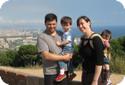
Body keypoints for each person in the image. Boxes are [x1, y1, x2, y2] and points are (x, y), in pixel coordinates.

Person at [37, 13, 72, 85]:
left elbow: (69, 46)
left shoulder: (61, 34)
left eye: (54, 24)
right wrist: (64, 57)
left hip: (64, 72)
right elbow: (46, 56)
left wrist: (71, 54)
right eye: (49, 24)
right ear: (45, 24)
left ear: (56, 23)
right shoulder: (42, 37)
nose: (52, 26)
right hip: (50, 72)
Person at [76, 16, 104, 85]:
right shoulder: (82, 39)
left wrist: (95, 80)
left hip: (95, 76)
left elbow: (100, 61)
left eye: (82, 23)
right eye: (78, 25)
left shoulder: (96, 39)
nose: (80, 26)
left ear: (89, 23)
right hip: (85, 74)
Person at [55, 16, 76, 82]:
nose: (65, 27)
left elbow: (68, 41)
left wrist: (60, 44)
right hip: (69, 49)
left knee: (60, 58)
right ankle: (71, 73)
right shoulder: (66, 32)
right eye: (64, 25)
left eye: (67, 25)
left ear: (70, 25)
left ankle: (62, 74)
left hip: (67, 49)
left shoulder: (68, 33)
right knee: (69, 61)